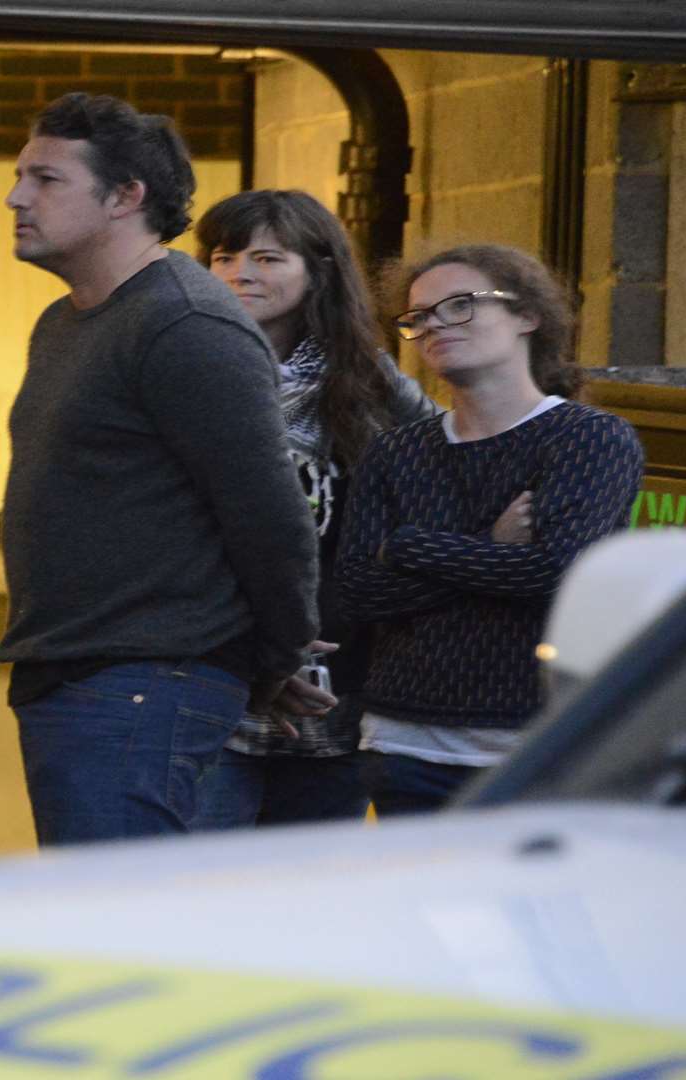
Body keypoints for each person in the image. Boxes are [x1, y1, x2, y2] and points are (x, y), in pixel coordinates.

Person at [0, 94, 329, 844]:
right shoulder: (68, 320)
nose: (15, 197)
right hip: (80, 673)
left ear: (125, 196)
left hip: (144, 680)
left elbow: (270, 516)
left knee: (113, 929)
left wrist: (275, 656)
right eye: (21, 176)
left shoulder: (187, 324)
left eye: (45, 179)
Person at [336, 244, 644, 815]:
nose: (434, 325)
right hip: (403, 739)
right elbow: (357, 588)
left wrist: (410, 546)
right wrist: (487, 549)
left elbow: (556, 573)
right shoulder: (395, 452)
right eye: (420, 316)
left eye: (461, 305)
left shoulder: (589, 439)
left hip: (530, 744)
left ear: (527, 315)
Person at [189, 190, 441, 829]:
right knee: (199, 894)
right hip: (214, 673)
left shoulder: (369, 381)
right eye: (224, 256)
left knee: (305, 899)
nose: (240, 272)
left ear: (318, 271)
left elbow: (444, 469)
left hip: (336, 678)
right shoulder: (185, 369)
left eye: (268, 257)